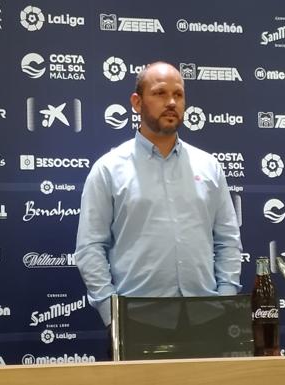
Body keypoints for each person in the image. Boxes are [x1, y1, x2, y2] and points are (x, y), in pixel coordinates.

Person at [74, 62, 242, 327]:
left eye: (178, 94)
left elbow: (228, 241)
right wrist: (112, 314)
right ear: (137, 102)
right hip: (136, 320)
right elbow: (90, 248)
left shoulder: (209, 167)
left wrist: (225, 301)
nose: (172, 102)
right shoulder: (108, 169)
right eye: (160, 93)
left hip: (207, 317)